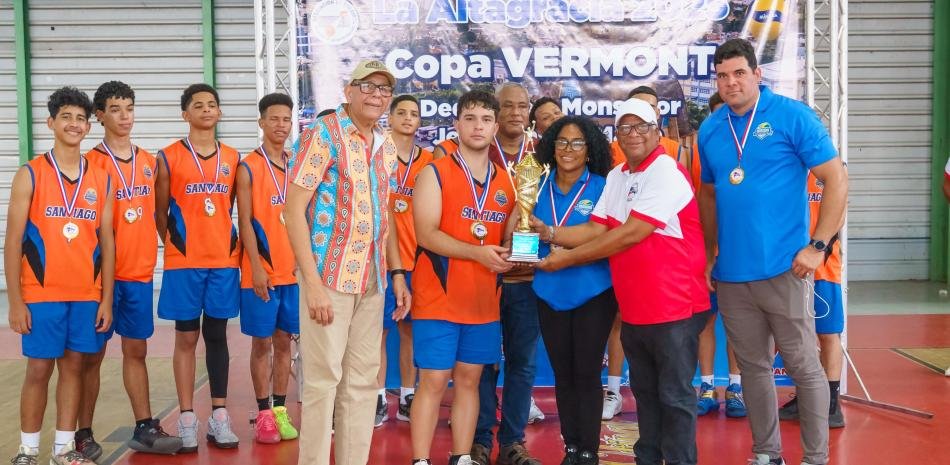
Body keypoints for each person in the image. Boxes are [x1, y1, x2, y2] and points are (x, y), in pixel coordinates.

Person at [697, 38, 848, 465]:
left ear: (757, 74)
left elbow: (836, 180)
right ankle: (767, 454)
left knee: (803, 367)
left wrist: (818, 246)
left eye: (739, 73)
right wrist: (711, 251)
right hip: (732, 275)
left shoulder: (791, 116)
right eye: (723, 75)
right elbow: (708, 194)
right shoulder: (711, 129)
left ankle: (815, 457)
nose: (731, 83)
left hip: (786, 268)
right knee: (752, 369)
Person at [538, 98, 710, 465]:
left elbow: (630, 234)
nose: (632, 135)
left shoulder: (666, 171)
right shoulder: (617, 176)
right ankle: (648, 458)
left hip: (674, 306)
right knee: (646, 395)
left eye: (641, 127)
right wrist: (548, 232)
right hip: (634, 308)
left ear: (657, 132)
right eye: (625, 128)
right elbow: (596, 228)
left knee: (676, 398)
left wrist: (565, 259)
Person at [285, 59, 409, 465]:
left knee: (361, 384)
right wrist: (313, 283)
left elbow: (384, 217)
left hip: (371, 281)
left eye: (384, 90)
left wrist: (396, 275)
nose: (377, 96)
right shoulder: (323, 134)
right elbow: (293, 210)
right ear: (349, 91)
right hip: (330, 279)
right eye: (368, 87)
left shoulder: (386, 144)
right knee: (323, 382)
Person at [6, 86, 114, 465]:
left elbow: (107, 242)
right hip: (41, 293)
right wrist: (15, 300)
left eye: (81, 118)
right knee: (38, 369)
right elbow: (13, 242)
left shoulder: (100, 178)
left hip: (86, 294)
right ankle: (27, 451)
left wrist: (106, 298)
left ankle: (64, 449)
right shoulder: (30, 174)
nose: (74, 123)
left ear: (88, 127)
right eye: (66, 116)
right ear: (51, 123)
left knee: (74, 367)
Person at [409, 89, 515, 465]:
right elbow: (427, 234)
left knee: (470, 381)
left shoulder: (508, 183)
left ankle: (462, 456)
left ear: (496, 127)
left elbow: (507, 240)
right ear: (456, 125)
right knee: (435, 381)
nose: (478, 126)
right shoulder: (434, 173)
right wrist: (477, 252)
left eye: (486, 119)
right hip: (438, 297)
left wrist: (518, 244)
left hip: (484, 300)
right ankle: (420, 460)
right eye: (470, 118)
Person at [80, 81, 183, 458]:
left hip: (138, 273)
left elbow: (159, 213)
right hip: (98, 277)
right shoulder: (91, 162)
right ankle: (83, 433)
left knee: (135, 351)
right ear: (100, 116)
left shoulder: (148, 162)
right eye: (116, 109)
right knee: (90, 356)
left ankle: (144, 426)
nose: (125, 116)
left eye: (129, 108)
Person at [156, 83, 242, 452]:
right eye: (198, 105)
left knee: (218, 337)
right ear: (185, 114)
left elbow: (231, 207)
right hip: (185, 262)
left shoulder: (235, 158)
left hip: (223, 261)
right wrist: (176, 244)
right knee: (186, 337)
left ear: (219, 113)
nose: (206, 110)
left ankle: (219, 418)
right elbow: (160, 211)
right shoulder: (168, 156)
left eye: (212, 104)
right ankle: (187, 418)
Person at [530, 115, 617, 465]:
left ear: (590, 148)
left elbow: (599, 234)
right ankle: (570, 446)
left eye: (577, 143)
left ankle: (589, 450)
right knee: (562, 373)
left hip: (592, 291)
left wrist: (550, 235)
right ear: (551, 145)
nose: (568, 149)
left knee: (586, 371)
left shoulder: (602, 186)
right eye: (562, 142)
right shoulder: (535, 186)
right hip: (548, 289)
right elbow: (519, 228)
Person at [472, 82, 542, 465]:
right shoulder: (479, 152)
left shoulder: (540, 154)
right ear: (495, 112)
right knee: (482, 361)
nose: (516, 112)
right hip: (484, 273)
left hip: (526, 278)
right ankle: (480, 439)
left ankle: (513, 442)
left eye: (522, 106)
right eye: (508, 106)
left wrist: (527, 251)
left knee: (522, 362)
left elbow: (541, 211)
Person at [237, 92, 300, 444]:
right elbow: (244, 222)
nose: (280, 125)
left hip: (291, 273)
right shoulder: (248, 167)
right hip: (259, 274)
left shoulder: (296, 164)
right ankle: (263, 414)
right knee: (261, 344)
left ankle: (280, 409)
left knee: (284, 342)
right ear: (261, 122)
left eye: (286, 119)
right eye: (274, 119)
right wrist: (257, 267)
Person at [376, 95, 430, 427]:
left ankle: (409, 395)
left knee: (410, 330)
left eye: (414, 114)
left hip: (419, 259)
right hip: (381, 261)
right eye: (402, 113)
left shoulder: (430, 159)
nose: (408, 118)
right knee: (379, 333)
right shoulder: (376, 155)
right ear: (390, 118)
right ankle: (378, 397)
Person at [777, 172, 846, 429]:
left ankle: (831, 404)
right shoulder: (788, 167)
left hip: (824, 268)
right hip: (792, 269)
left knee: (828, 334)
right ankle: (807, 396)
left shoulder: (832, 168)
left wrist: (821, 249)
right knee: (799, 335)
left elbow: (839, 213)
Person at [695, 91, 746, 419]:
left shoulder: (747, 153)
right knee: (706, 322)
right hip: (705, 254)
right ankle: (708, 386)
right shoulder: (704, 151)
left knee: (737, 325)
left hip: (741, 254)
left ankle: (737, 388)